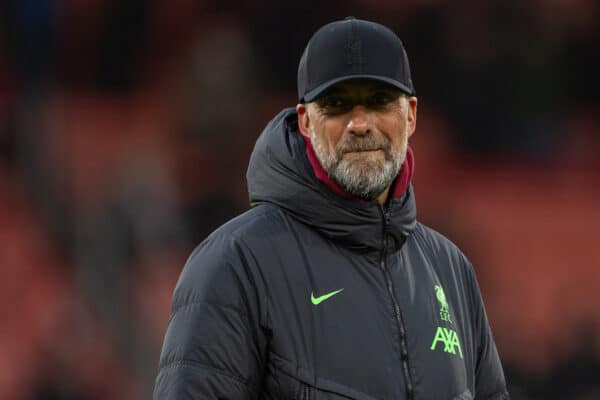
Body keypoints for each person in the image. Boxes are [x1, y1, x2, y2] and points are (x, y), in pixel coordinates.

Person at [154, 17, 509, 400]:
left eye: (379, 101)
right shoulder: (236, 263)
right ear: (305, 120)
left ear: (410, 115)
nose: (359, 123)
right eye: (337, 105)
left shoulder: (451, 270)